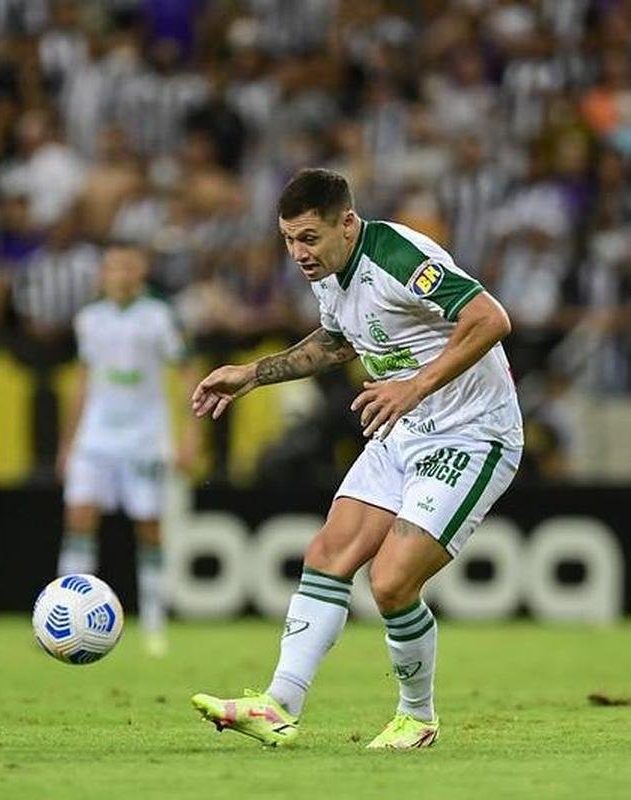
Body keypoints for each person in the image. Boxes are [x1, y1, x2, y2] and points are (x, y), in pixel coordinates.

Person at [189, 168, 523, 749]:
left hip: (471, 434)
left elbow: (490, 318)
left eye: (309, 238)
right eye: (288, 239)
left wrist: (413, 386)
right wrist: (252, 374)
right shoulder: (331, 271)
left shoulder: (397, 253)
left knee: (390, 583)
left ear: (347, 223)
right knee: (327, 553)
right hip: (402, 428)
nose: (298, 253)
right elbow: (337, 340)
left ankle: (417, 718)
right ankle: (278, 704)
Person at [56, 244, 197, 657]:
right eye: (113, 266)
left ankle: (154, 621)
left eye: (128, 265)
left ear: (141, 271)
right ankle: (67, 615)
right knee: (78, 519)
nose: (120, 273)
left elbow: (186, 374)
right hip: (95, 437)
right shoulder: (89, 319)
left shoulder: (159, 317)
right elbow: (82, 381)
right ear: (103, 272)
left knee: (149, 526)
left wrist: (189, 437)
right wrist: (67, 442)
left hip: (144, 438)